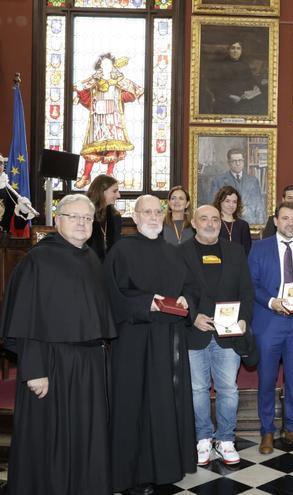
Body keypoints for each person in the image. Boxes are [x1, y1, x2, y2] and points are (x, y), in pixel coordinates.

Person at [0, 194, 116, 495]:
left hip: (89, 363)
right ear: (58, 220)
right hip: (52, 365)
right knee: (52, 437)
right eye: (74, 216)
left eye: (87, 218)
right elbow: (27, 317)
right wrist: (34, 369)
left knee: (86, 435)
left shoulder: (90, 257)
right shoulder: (38, 260)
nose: (81, 223)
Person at [105, 195, 196, 495]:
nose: (155, 217)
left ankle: (167, 468)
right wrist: (147, 304)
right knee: (136, 404)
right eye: (148, 212)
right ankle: (135, 474)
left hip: (168, 339)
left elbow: (188, 287)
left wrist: (187, 300)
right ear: (135, 215)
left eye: (159, 211)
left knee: (165, 402)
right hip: (135, 340)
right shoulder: (121, 250)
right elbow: (112, 296)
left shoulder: (174, 251)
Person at [178, 204, 255, 467]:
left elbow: (246, 290)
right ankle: (202, 439)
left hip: (228, 334)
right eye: (204, 219)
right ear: (194, 222)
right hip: (195, 333)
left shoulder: (235, 252)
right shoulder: (181, 252)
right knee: (197, 389)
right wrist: (192, 316)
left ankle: (225, 439)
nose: (210, 223)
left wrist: (244, 319)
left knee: (228, 390)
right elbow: (176, 291)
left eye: (214, 219)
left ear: (220, 223)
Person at [248, 202, 293, 455]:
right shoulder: (259, 248)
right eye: (286, 218)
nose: (291, 223)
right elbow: (252, 284)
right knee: (267, 379)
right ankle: (267, 432)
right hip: (269, 322)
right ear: (276, 221)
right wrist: (271, 302)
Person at [73, 53, 144, 189]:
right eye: (103, 63)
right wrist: (81, 92)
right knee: (93, 147)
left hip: (113, 118)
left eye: (108, 64)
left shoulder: (119, 80)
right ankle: (86, 176)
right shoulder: (94, 81)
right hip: (98, 118)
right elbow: (86, 98)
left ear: (112, 65)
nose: (106, 66)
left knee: (113, 147)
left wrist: (118, 97)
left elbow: (131, 94)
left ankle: (110, 173)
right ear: (100, 65)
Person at [210, 148, 265, 225]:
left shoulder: (253, 181)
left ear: (243, 161)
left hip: (250, 223)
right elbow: (214, 205)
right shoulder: (218, 181)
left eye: (240, 160)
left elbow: (259, 206)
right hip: (226, 223)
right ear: (229, 163)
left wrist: (260, 225)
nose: (238, 163)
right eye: (234, 161)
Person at [207, 41, 264, 116]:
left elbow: (250, 81)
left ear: (241, 51)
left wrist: (255, 88)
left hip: (243, 100)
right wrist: (229, 96)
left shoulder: (244, 64)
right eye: (233, 48)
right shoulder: (220, 65)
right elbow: (214, 85)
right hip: (224, 101)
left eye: (238, 48)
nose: (235, 51)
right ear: (228, 50)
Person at [86, 174, 122, 260]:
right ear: (102, 191)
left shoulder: (115, 217)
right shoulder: (85, 215)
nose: (119, 195)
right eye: (114, 191)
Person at [213, 185, 252, 254]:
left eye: (234, 202)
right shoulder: (213, 223)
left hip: (238, 263)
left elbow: (247, 251)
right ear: (220, 202)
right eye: (227, 201)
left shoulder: (243, 225)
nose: (231, 205)